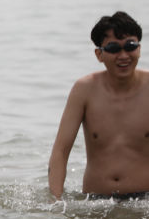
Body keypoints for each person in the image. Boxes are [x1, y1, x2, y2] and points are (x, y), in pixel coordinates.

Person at [48, 12, 147, 200]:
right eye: (113, 48)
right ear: (99, 54)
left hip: (144, 202)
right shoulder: (84, 90)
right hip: (95, 202)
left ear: (139, 49)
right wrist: (56, 202)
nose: (123, 55)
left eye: (130, 46)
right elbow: (60, 151)